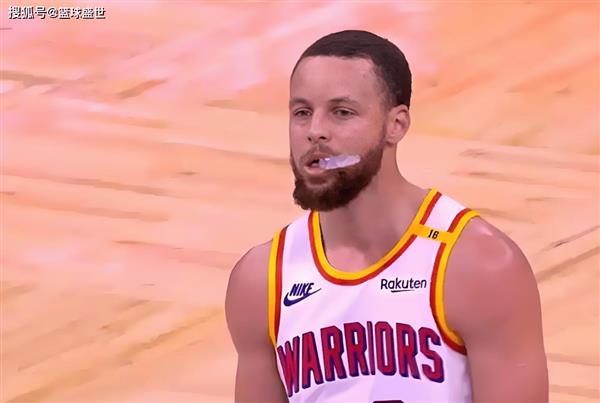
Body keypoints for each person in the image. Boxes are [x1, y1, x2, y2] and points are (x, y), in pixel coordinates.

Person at [225, 30, 548, 403]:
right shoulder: (261, 280)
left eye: (341, 113)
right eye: (302, 113)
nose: (315, 131)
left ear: (397, 125)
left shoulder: (478, 266)